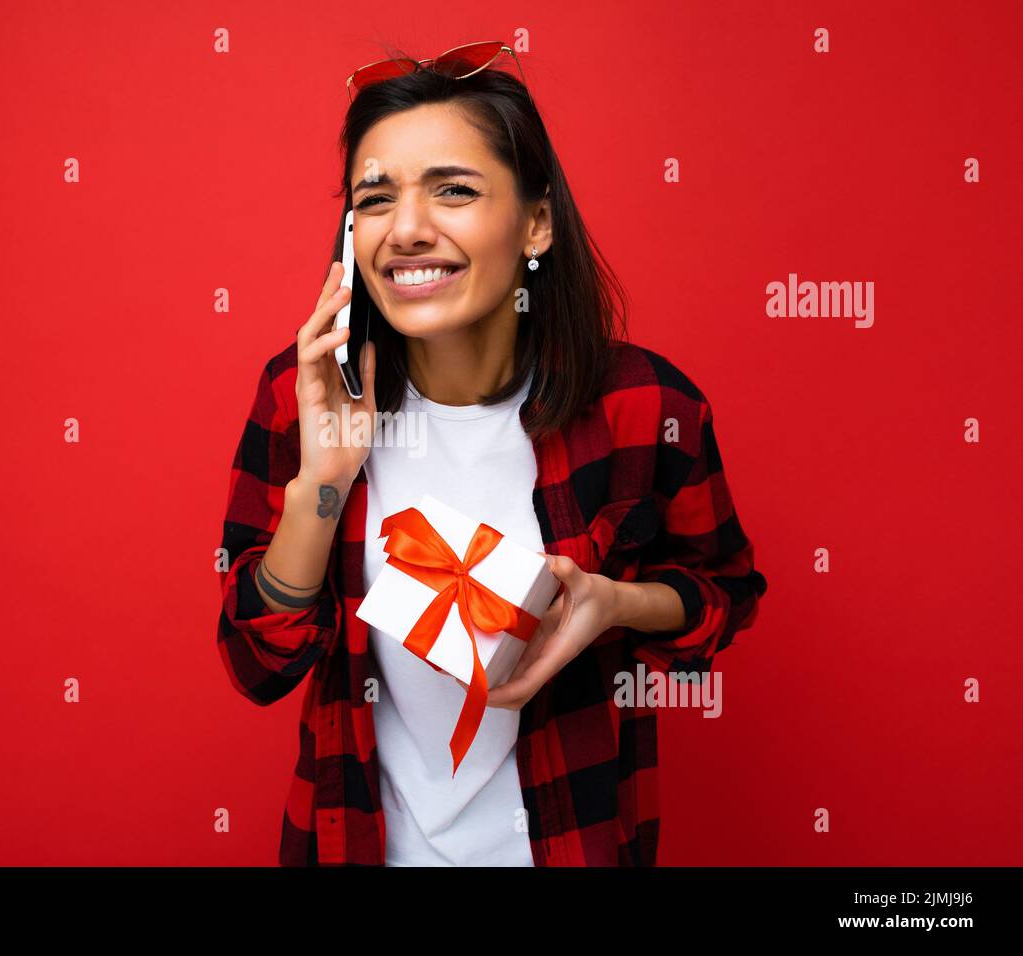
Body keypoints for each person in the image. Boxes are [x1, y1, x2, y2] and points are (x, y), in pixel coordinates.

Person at [215, 41, 768, 866]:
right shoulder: (302, 395)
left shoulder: (645, 406)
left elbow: (723, 598)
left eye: (454, 190)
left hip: (571, 844)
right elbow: (258, 665)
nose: (406, 230)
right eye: (375, 199)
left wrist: (614, 605)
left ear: (536, 221)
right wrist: (322, 487)